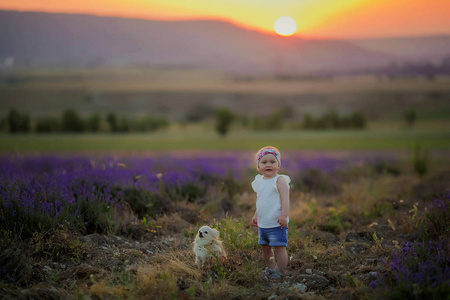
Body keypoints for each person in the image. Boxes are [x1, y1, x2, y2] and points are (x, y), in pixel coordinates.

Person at [251, 146, 290, 280]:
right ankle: (271, 269)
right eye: (264, 162)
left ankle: (281, 271)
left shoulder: (279, 181)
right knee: (265, 247)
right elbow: (261, 200)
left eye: (272, 162)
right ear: (258, 165)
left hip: (276, 222)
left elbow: (285, 200)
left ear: (278, 164)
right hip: (264, 223)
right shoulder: (259, 181)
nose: (268, 165)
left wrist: (283, 215)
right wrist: (256, 215)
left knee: (279, 248)